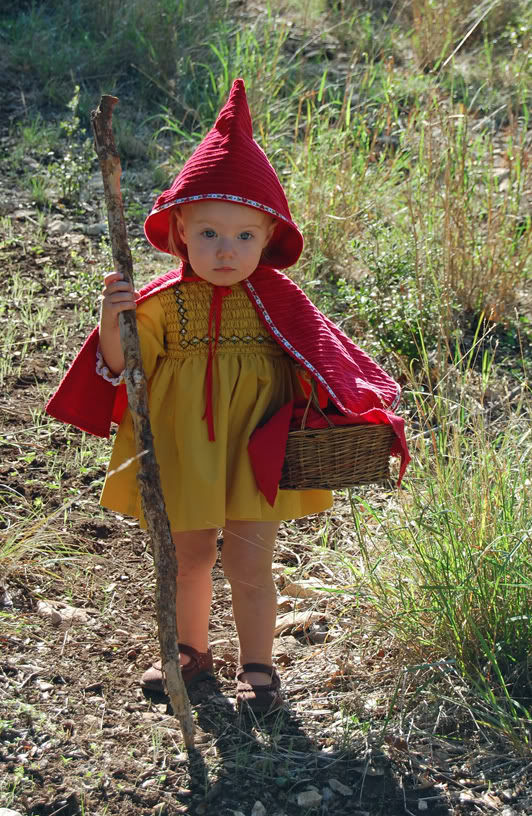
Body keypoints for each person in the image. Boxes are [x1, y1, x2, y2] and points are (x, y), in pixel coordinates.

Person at [46, 79, 409, 714]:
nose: (225, 250)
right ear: (180, 229)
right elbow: (120, 369)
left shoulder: (279, 301)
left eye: (245, 237)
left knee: (250, 560)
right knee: (188, 557)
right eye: (209, 233)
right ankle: (189, 653)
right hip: (185, 451)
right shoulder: (159, 303)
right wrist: (112, 321)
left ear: (269, 237)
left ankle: (259, 667)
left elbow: (323, 362)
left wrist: (349, 407)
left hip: (254, 454)